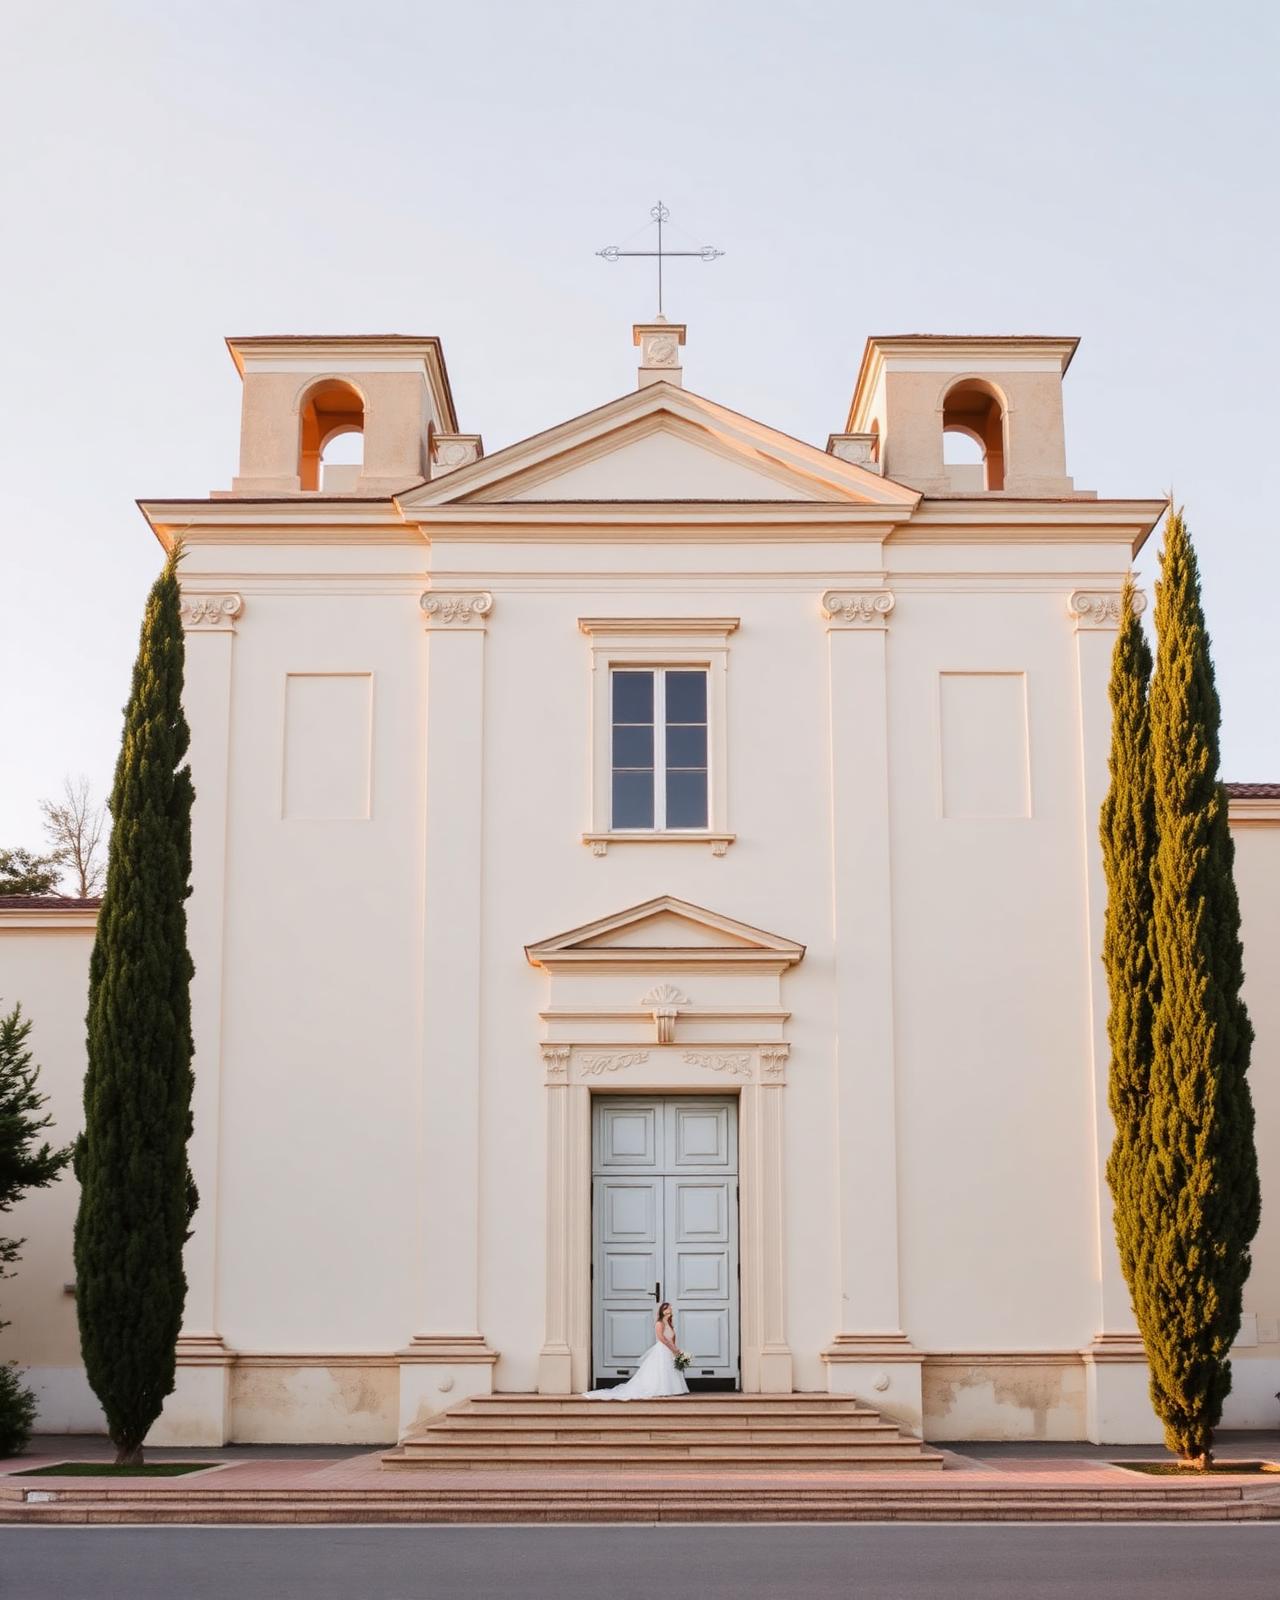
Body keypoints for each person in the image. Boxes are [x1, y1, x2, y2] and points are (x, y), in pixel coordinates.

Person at [584, 1301, 690, 1400]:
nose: (668, 1310)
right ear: (662, 1311)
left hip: (670, 1350)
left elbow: (672, 1339)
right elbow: (662, 1338)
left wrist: (676, 1351)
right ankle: (661, 1389)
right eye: (666, 1309)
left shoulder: (670, 1325)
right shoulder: (659, 1323)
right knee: (661, 1369)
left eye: (669, 1308)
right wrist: (672, 1348)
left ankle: (673, 1389)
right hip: (662, 1350)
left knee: (672, 1369)